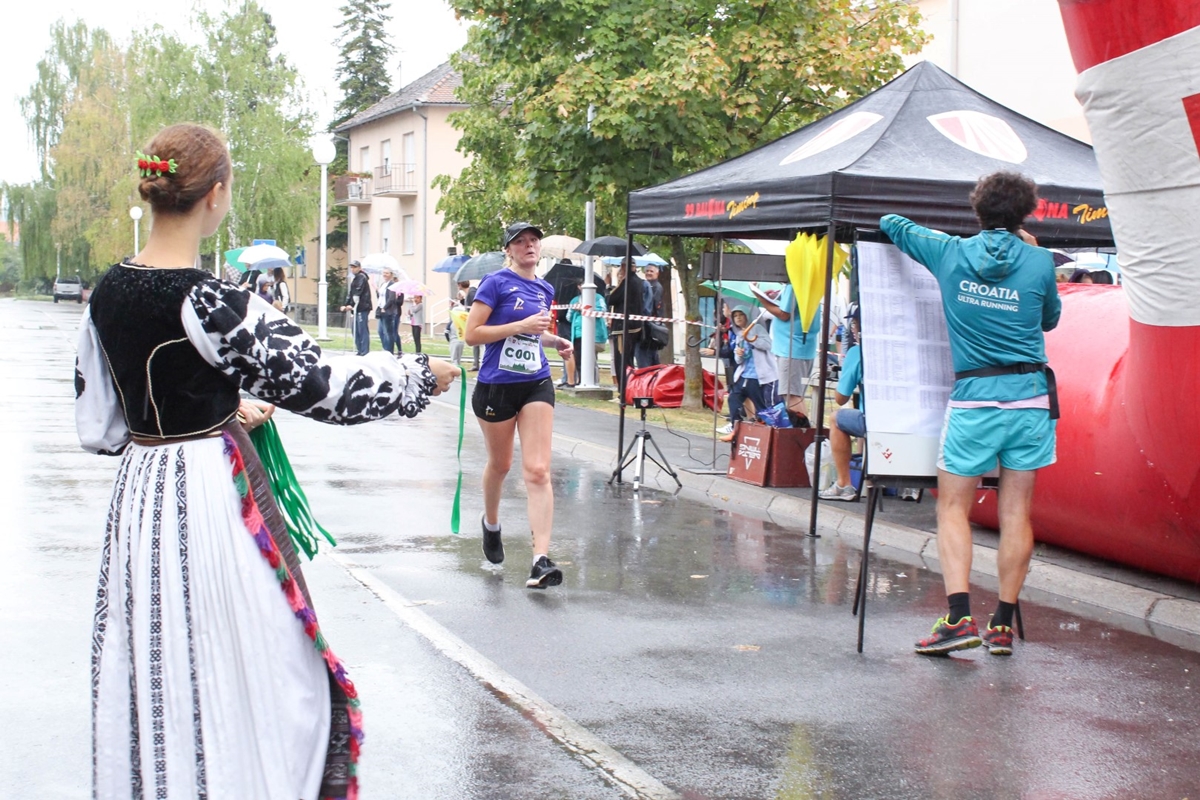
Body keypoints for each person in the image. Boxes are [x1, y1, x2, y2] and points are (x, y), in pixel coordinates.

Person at [75, 122, 458, 799]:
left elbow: (101, 428)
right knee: (254, 665)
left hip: (140, 500)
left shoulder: (107, 292)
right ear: (215, 195)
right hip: (207, 499)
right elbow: (324, 388)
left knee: (160, 664)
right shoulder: (210, 299)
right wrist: (419, 375)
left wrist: (211, 409)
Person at [880, 170, 1061, 658]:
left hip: (975, 399)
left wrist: (943, 237)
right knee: (1016, 511)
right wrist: (1029, 249)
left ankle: (959, 618)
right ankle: (1002, 626)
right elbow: (1049, 319)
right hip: (1030, 399)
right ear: (1025, 213)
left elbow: (891, 222)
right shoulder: (1040, 259)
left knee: (953, 507)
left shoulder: (950, 251)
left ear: (977, 209)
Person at [464, 221, 573, 589]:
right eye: (520, 241)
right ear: (508, 250)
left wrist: (554, 341)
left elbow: (533, 333)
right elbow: (472, 334)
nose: (529, 246)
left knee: (538, 471)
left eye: (534, 240)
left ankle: (540, 560)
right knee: (501, 464)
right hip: (496, 386)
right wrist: (519, 325)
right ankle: (491, 525)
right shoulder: (494, 283)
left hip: (535, 382)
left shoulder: (545, 288)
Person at [755, 286, 823, 426]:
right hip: (800, 346)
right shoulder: (806, 284)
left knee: (791, 396)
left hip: (791, 348)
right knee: (794, 395)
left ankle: (801, 434)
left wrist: (760, 297)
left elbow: (784, 314)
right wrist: (777, 297)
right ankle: (802, 432)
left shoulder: (794, 285)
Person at [819, 307, 864, 501]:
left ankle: (844, 484)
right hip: (907, 421)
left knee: (836, 418)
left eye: (854, 324)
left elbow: (841, 398)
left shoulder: (857, 352)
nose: (852, 328)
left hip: (875, 421)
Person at [718, 305, 777, 442]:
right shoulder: (739, 334)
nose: (738, 318)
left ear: (747, 316)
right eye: (735, 316)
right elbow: (739, 359)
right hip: (743, 375)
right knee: (733, 399)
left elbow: (767, 345)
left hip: (758, 377)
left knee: (761, 407)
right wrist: (739, 354)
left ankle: (765, 433)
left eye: (741, 315)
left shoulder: (757, 329)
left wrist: (751, 338)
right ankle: (735, 430)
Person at [607, 258, 645, 389]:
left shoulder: (627, 282)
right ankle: (627, 387)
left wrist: (610, 286)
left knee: (621, 360)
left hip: (623, 327)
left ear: (624, 267)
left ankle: (623, 389)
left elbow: (611, 299)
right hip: (634, 327)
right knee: (628, 359)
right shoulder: (639, 282)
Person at [567, 277, 609, 385]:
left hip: (594, 334)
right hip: (578, 334)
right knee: (579, 359)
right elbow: (568, 317)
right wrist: (574, 310)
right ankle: (581, 381)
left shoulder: (598, 298)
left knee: (591, 360)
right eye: (582, 285)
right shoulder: (575, 300)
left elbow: (602, 311)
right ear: (579, 287)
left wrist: (585, 309)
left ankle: (594, 381)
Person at [635, 263, 665, 367]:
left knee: (644, 360)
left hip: (649, 328)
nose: (648, 273)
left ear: (657, 273)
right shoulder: (647, 285)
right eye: (647, 271)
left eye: (651, 271)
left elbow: (652, 307)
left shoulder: (656, 287)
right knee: (652, 359)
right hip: (650, 328)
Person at [340, 259, 372, 356]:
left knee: (362, 329)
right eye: (352, 267)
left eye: (354, 267)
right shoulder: (355, 278)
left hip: (362, 307)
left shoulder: (361, 277)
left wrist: (352, 305)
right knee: (355, 329)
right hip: (357, 308)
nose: (353, 269)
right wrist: (346, 304)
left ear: (359, 268)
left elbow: (358, 292)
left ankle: (364, 351)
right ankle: (360, 349)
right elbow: (351, 293)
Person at [377, 267, 403, 355]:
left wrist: (385, 307)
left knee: (388, 332)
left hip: (388, 311)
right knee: (380, 331)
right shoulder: (383, 284)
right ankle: (385, 348)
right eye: (384, 273)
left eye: (387, 273)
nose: (385, 275)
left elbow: (391, 298)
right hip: (381, 310)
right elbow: (380, 297)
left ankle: (389, 351)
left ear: (391, 275)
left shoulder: (392, 285)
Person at [459, 280, 481, 370]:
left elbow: (475, 306)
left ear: (460, 285)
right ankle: (476, 364)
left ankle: (477, 364)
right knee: (475, 344)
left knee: (478, 343)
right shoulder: (469, 293)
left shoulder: (472, 293)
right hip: (474, 321)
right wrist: (462, 300)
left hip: (477, 321)